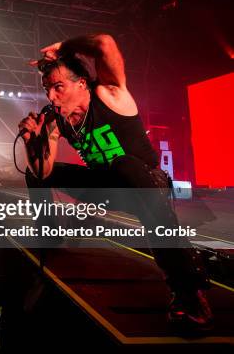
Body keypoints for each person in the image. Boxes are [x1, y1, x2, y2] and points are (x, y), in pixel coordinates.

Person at [18, 34, 212, 328]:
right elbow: (41, 172)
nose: (52, 97)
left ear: (82, 83)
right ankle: (49, 233)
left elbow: (106, 44)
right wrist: (32, 143)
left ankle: (187, 288)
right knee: (35, 172)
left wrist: (65, 48)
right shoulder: (58, 120)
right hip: (107, 187)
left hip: (144, 183)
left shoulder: (109, 93)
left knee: (124, 164)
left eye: (59, 87)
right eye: (48, 90)